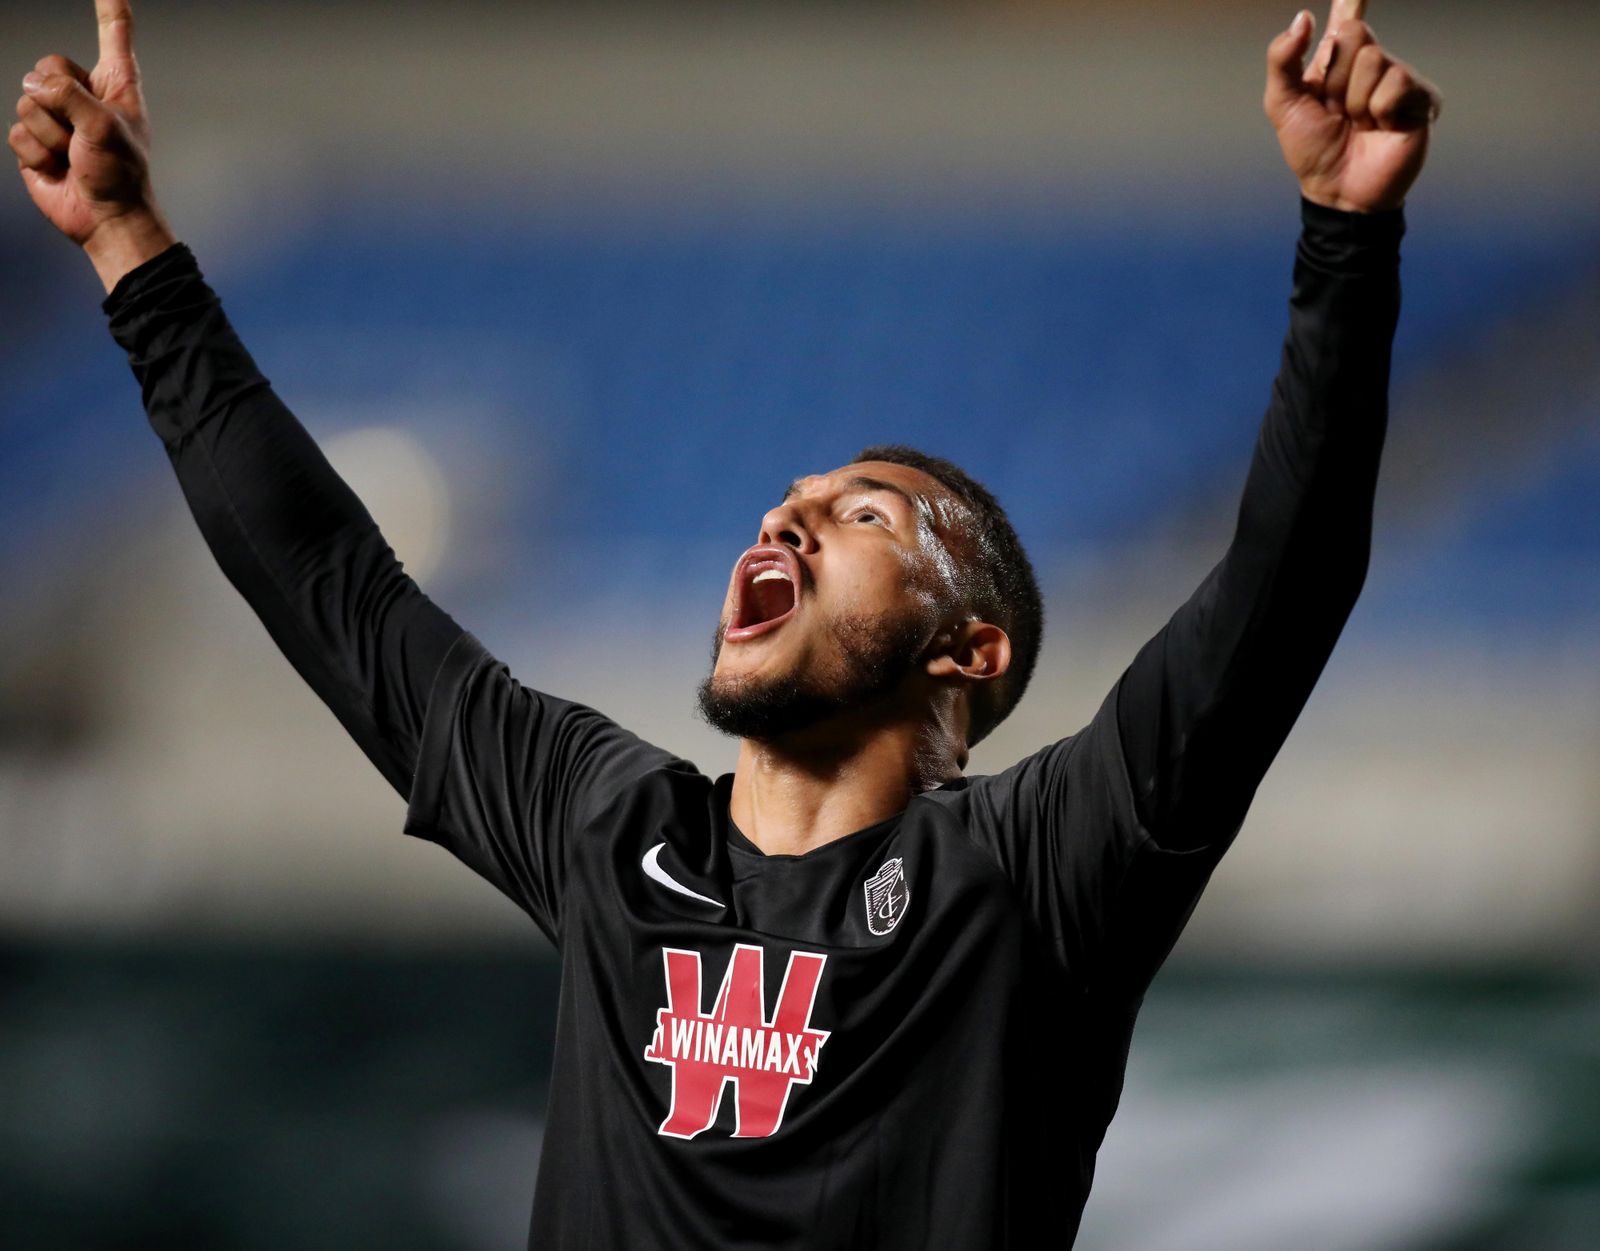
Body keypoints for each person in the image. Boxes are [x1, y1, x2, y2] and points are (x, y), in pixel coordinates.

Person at [11, 1, 1441, 1245]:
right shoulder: (606, 824)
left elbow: (1285, 584)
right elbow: (333, 585)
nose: (788, 518)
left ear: (967, 651)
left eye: (863, 515)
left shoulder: (1037, 874)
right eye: (788, 500)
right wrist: (132, 246)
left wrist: (1346, 240)